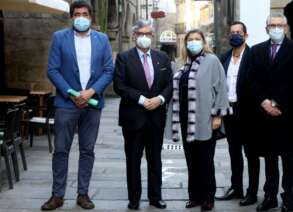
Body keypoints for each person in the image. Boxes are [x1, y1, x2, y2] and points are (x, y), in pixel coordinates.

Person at [41, 0, 114, 210]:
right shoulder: (59, 38)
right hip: (66, 103)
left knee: (87, 150)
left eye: (85, 14)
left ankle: (83, 194)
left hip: (92, 103)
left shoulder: (102, 40)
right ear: (72, 17)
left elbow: (109, 69)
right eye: (77, 14)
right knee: (61, 150)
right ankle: (57, 195)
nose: (81, 17)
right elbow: (52, 70)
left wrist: (91, 91)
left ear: (90, 17)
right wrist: (71, 94)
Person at [113, 20, 173, 210]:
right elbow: (119, 86)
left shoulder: (162, 57)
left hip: (156, 118)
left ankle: (156, 197)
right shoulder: (124, 58)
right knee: (133, 160)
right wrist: (141, 100)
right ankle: (134, 198)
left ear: (152, 37)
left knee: (155, 159)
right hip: (133, 118)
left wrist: (160, 99)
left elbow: (170, 85)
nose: (144, 37)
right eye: (141, 34)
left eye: (148, 34)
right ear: (134, 36)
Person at [168, 29, 229, 211]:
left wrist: (218, 115)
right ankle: (194, 196)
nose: (193, 42)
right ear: (185, 43)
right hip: (186, 119)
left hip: (205, 118)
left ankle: (208, 197)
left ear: (203, 42)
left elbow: (222, 89)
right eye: (190, 40)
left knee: (205, 160)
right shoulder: (180, 63)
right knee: (191, 160)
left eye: (197, 39)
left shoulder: (212, 60)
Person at [250, 13, 293, 212]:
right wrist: (264, 102)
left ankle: (288, 197)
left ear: (286, 27)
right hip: (264, 114)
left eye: (279, 25)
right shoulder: (256, 51)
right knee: (270, 157)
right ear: (266, 28)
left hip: (286, 113)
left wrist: (274, 101)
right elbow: (252, 80)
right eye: (272, 25)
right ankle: (270, 196)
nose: (276, 28)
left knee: (288, 158)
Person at [215, 21, 260, 206]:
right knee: (234, 152)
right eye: (232, 32)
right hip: (230, 111)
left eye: (239, 32)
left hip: (248, 113)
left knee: (251, 154)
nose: (235, 35)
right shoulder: (224, 57)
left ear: (246, 35)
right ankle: (236, 188)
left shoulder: (254, 56)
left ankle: (252, 192)